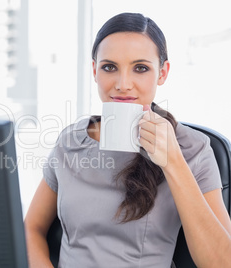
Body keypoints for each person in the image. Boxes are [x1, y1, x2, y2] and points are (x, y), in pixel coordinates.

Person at [24, 12, 231, 268]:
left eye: (140, 68)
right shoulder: (70, 141)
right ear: (94, 71)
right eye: (109, 67)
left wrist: (173, 162)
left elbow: (222, 262)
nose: (123, 84)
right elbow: (31, 228)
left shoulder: (193, 148)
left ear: (162, 73)